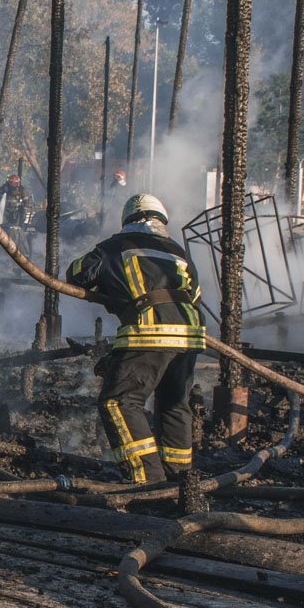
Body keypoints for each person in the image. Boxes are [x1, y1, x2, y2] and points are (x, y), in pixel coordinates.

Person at [66, 194, 205, 485]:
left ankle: (147, 479)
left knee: (119, 403)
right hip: (190, 336)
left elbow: (76, 273)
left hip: (149, 332)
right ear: (162, 221)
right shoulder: (179, 254)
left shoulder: (116, 246)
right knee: (174, 404)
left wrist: (112, 287)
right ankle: (179, 478)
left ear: (127, 221)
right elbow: (195, 295)